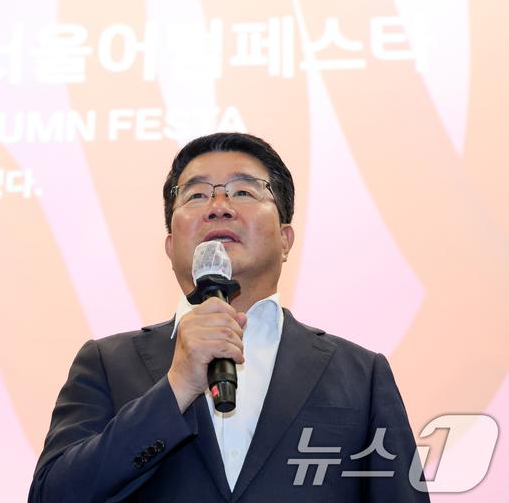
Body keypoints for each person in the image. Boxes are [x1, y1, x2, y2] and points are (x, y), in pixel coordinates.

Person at [28, 132, 428, 502]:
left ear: (285, 239)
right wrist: (175, 388)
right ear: (170, 246)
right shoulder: (106, 363)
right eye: (197, 195)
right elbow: (52, 495)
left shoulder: (361, 374)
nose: (219, 207)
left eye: (243, 191)